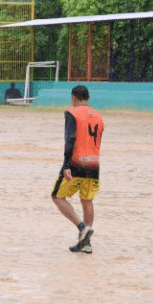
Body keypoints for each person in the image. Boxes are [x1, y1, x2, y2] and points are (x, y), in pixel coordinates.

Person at [51, 85, 104, 254]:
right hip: (93, 164)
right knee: (87, 201)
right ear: (88, 98)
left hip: (76, 164)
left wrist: (66, 165)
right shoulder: (98, 116)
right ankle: (86, 243)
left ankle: (82, 228)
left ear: (73, 98)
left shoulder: (72, 113)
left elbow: (70, 139)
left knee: (57, 197)